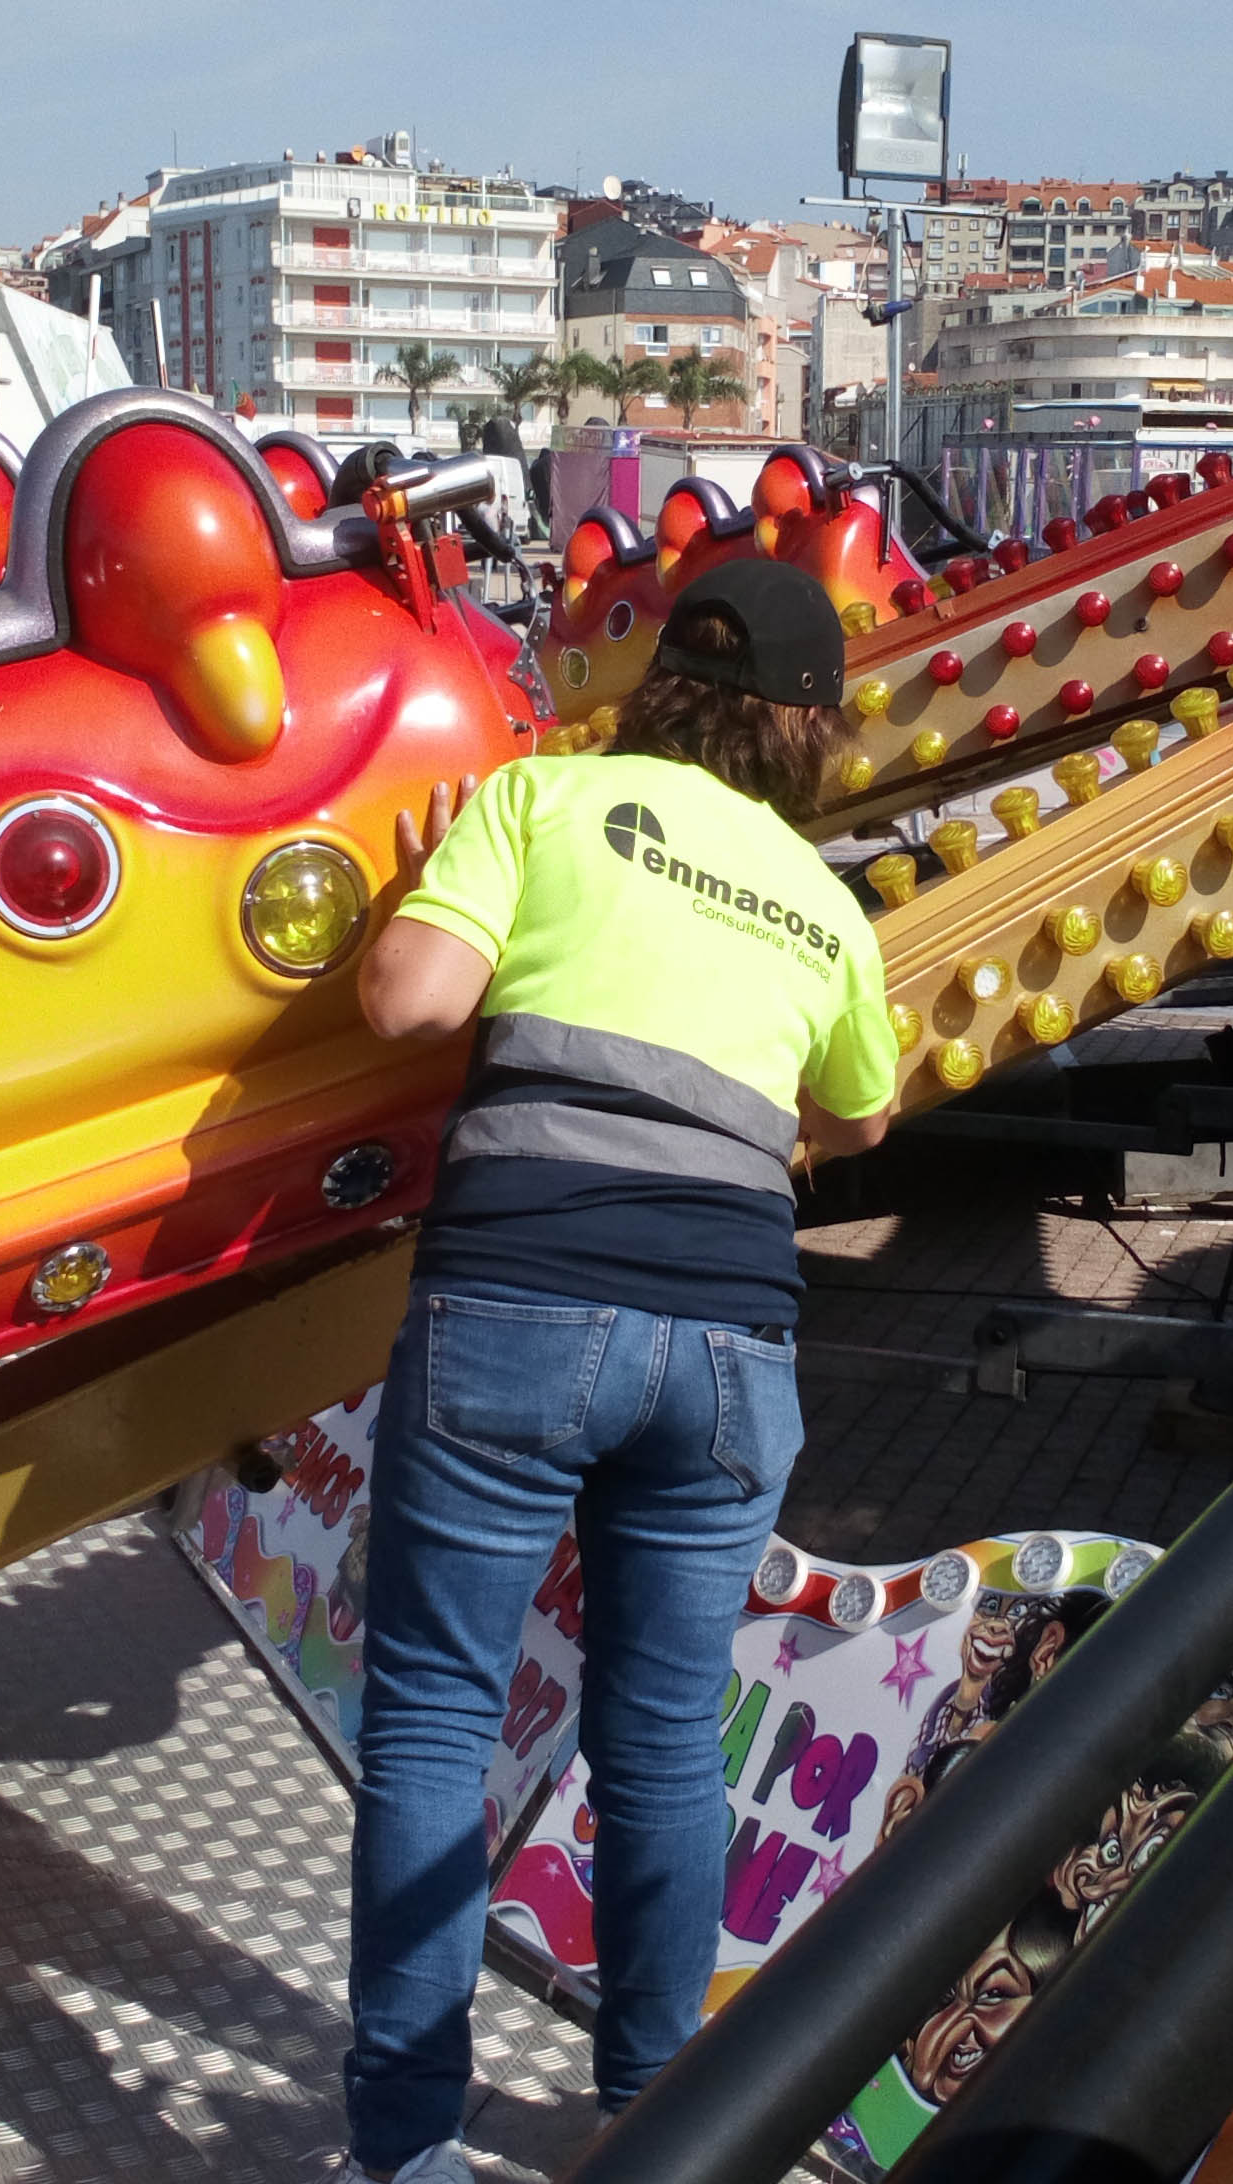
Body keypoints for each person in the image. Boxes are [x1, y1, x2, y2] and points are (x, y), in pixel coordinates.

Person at [337, 557, 900, 2182]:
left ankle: (406, 2145)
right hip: (733, 1345)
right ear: (806, 728)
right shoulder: (822, 900)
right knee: (658, 1744)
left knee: (439, 1717)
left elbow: (407, 1001)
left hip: (517, 1303)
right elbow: (860, 1115)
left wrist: (418, 889)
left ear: (658, 683)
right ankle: (657, 2119)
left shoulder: (540, 803)